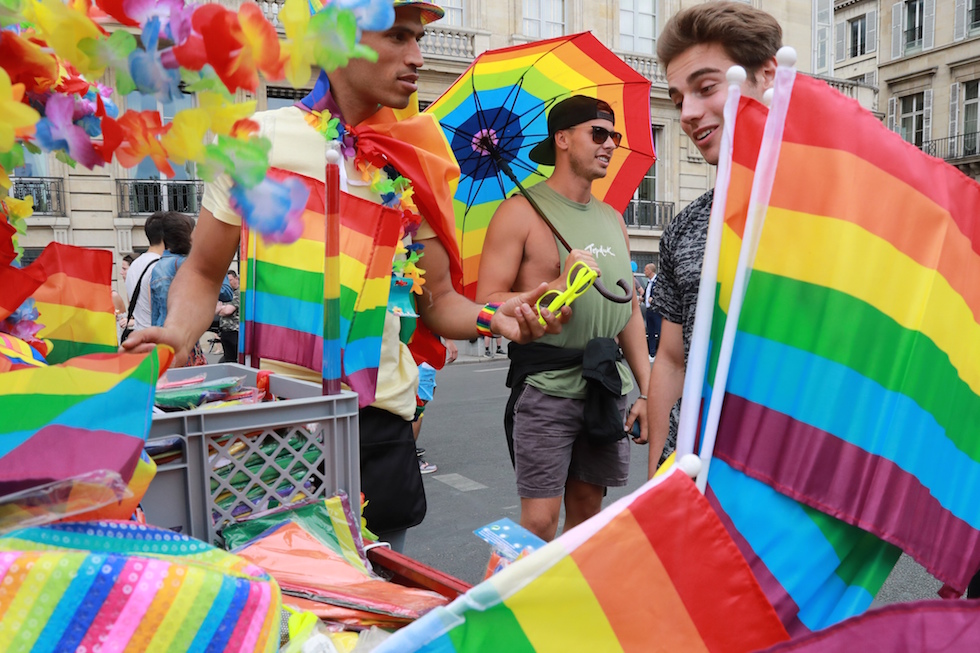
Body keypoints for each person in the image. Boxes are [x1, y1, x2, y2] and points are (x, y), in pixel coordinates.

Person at [124, 0, 566, 552]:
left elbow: (441, 302)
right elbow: (206, 270)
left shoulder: (418, 158)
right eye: (399, 37)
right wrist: (177, 333)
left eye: (418, 39)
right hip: (275, 419)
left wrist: (493, 316)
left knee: (381, 609)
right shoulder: (254, 140)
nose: (416, 56)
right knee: (286, 611)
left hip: (378, 424)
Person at [475, 95, 651, 542]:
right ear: (563, 139)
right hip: (547, 387)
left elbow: (627, 309)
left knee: (589, 515)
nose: (610, 144)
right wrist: (552, 289)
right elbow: (488, 301)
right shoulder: (520, 211)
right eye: (598, 133)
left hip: (606, 386)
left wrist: (649, 392)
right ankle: (496, 610)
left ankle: (563, 609)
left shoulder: (614, 218)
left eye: (614, 135)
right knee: (537, 522)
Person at [646, 1, 780, 477]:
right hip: (693, 476)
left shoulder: (837, 210)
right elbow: (670, 359)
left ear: (768, 75)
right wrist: (655, 476)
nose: (688, 113)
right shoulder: (685, 226)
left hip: (798, 486)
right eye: (679, 99)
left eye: (706, 88)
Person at [413, 338, 457, 474]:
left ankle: (405, 450)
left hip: (414, 353)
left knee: (416, 403)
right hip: (422, 352)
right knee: (417, 407)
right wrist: (449, 339)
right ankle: (409, 456)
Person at [125, 214, 165, 333]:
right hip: (155, 337)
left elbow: (130, 302)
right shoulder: (158, 265)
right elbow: (157, 310)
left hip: (139, 334)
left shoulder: (134, 265)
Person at [216, 270, 240, 363]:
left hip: (235, 331)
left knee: (235, 360)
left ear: (236, 279)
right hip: (225, 330)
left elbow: (227, 311)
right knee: (228, 359)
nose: (228, 283)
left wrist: (220, 309)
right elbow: (213, 310)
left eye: (230, 280)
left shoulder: (239, 292)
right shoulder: (225, 294)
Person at [642, 262, 660, 360]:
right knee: (650, 332)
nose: (644, 272)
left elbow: (663, 294)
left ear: (650, 270)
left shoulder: (658, 281)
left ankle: (662, 353)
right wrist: (642, 298)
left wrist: (654, 299)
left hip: (656, 310)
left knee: (660, 332)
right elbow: (646, 293)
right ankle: (652, 353)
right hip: (649, 310)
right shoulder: (649, 282)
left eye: (645, 270)